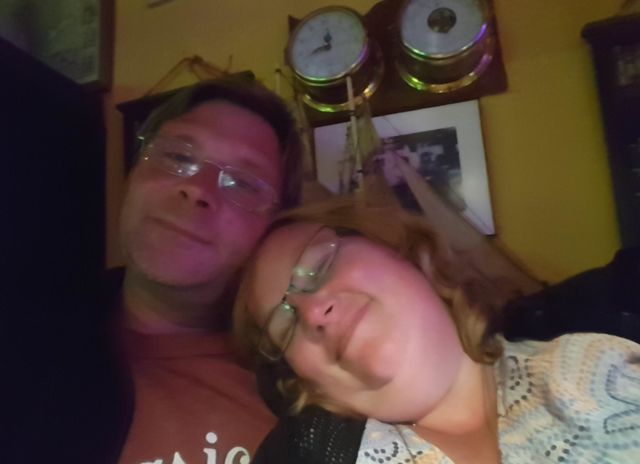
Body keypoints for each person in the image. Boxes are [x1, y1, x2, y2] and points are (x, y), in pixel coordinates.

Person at [4, 76, 303, 464]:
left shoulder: (305, 385)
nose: (198, 188)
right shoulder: (21, 338)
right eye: (178, 156)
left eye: (243, 183)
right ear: (133, 174)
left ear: (275, 227)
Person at [233, 199, 640, 464]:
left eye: (318, 266)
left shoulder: (612, 310)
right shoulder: (299, 454)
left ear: (400, 250)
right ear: (308, 383)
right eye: (286, 324)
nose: (312, 313)